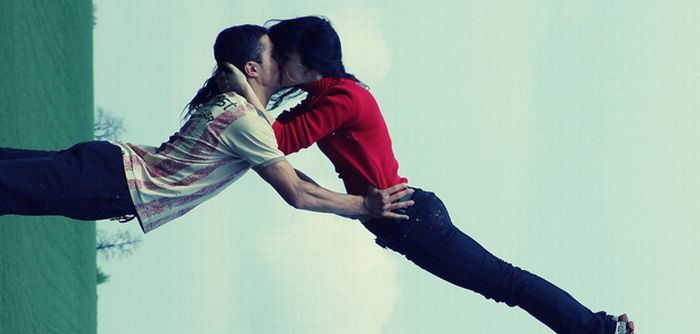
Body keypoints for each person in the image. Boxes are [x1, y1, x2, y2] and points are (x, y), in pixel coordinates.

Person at [217, 16, 635, 334]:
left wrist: (243, 90)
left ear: (308, 63)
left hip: (413, 221)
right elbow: (274, 137)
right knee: (504, 283)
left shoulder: (343, 98)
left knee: (506, 284)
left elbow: (280, 139)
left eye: (284, 56)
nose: (279, 65)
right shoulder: (324, 98)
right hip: (411, 221)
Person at [0, 25, 413, 234]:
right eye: (275, 56)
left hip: (108, 170)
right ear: (252, 69)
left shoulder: (244, 114)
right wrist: (363, 207)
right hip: (110, 181)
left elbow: (289, 171)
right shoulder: (246, 121)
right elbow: (297, 192)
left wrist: (357, 203)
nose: (286, 63)